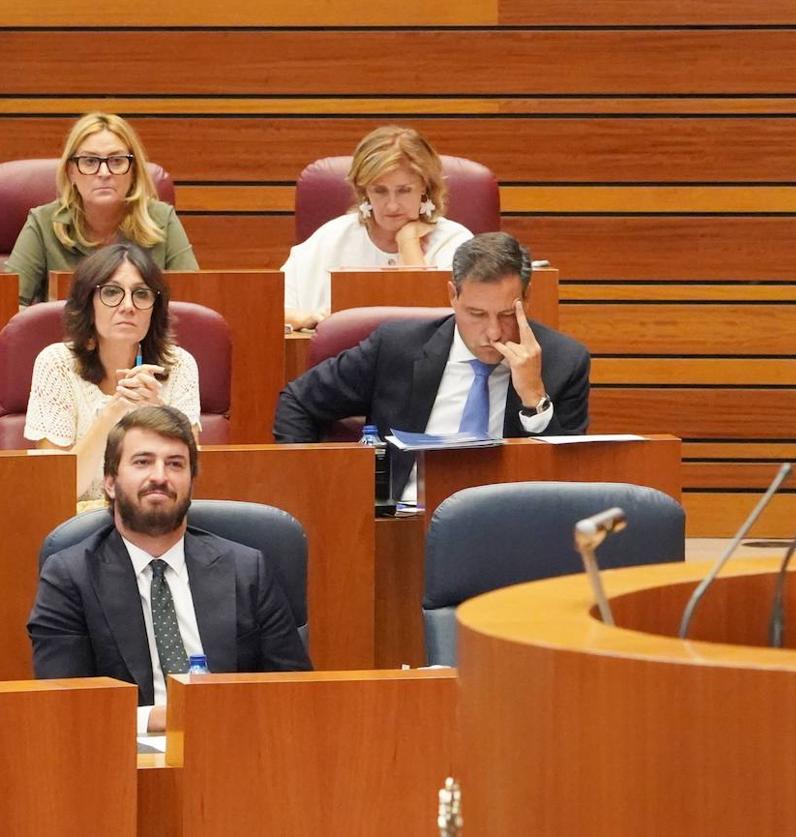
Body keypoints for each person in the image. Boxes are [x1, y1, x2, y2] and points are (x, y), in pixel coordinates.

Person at [28, 406, 312, 732]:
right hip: (120, 760)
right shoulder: (69, 577)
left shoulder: (248, 569)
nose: (160, 476)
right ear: (109, 482)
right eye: (142, 462)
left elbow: (295, 693)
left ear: (191, 480)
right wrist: (160, 718)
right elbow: (64, 706)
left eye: (175, 464)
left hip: (235, 749)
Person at [274, 232, 590, 504]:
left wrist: (534, 398)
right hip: (401, 521)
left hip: (507, 527)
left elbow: (566, 481)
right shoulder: (397, 347)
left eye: (507, 314)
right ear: (452, 295)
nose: (493, 332)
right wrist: (310, 489)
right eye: (477, 314)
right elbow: (297, 402)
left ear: (527, 298)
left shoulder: (563, 362)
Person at [24, 243, 201, 504]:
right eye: (111, 292)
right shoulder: (57, 364)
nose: (128, 306)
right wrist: (114, 411)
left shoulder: (179, 365)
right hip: (78, 527)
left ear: (155, 307)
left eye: (141, 294)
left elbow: (188, 482)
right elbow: (57, 488)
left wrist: (159, 413)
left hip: (154, 518)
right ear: (88, 303)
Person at [281, 125, 474, 331]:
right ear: (364, 191)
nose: (391, 205)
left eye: (404, 191)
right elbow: (276, 308)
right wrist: (306, 318)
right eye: (380, 191)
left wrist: (408, 244)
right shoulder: (331, 238)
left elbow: (437, 330)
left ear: (425, 187)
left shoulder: (455, 243)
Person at [5, 112, 197, 307]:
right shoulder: (43, 223)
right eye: (90, 161)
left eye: (117, 161)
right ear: (71, 171)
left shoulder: (162, 220)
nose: (104, 173)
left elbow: (194, 306)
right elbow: (7, 306)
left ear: (134, 170)